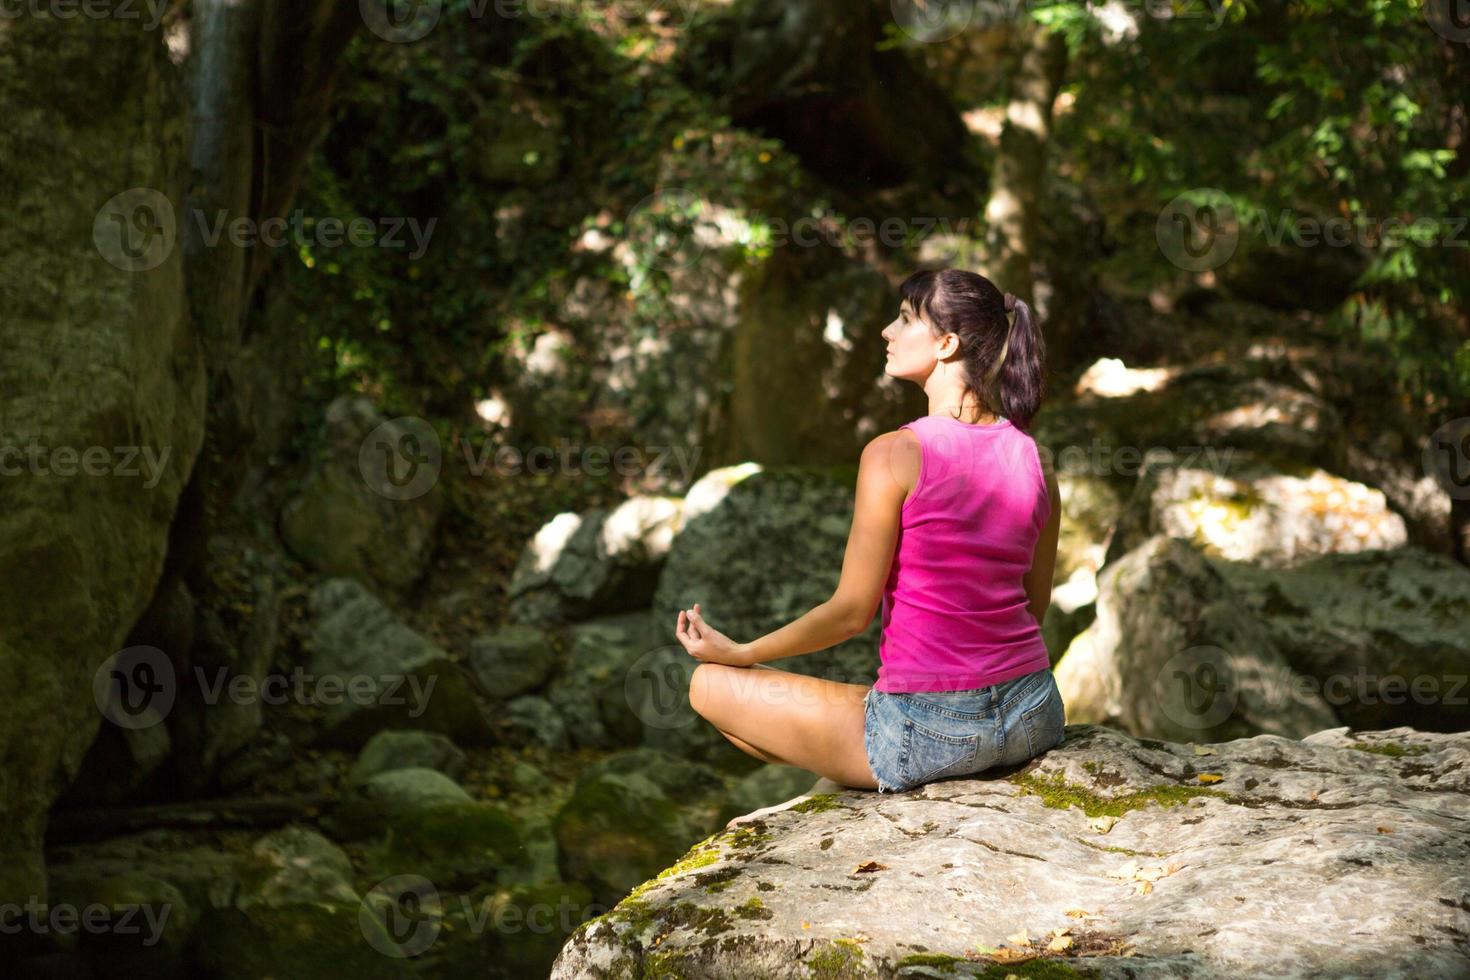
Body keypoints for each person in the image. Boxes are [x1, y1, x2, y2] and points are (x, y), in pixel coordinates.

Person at [673, 267, 1065, 815]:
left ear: (947, 343)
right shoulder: (1036, 457)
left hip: (931, 732)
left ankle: (866, 759)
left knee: (710, 687)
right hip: (1033, 714)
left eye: (905, 319)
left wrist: (741, 652)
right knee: (855, 701)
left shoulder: (893, 453)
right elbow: (1034, 603)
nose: (886, 331)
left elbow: (850, 613)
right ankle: (869, 740)